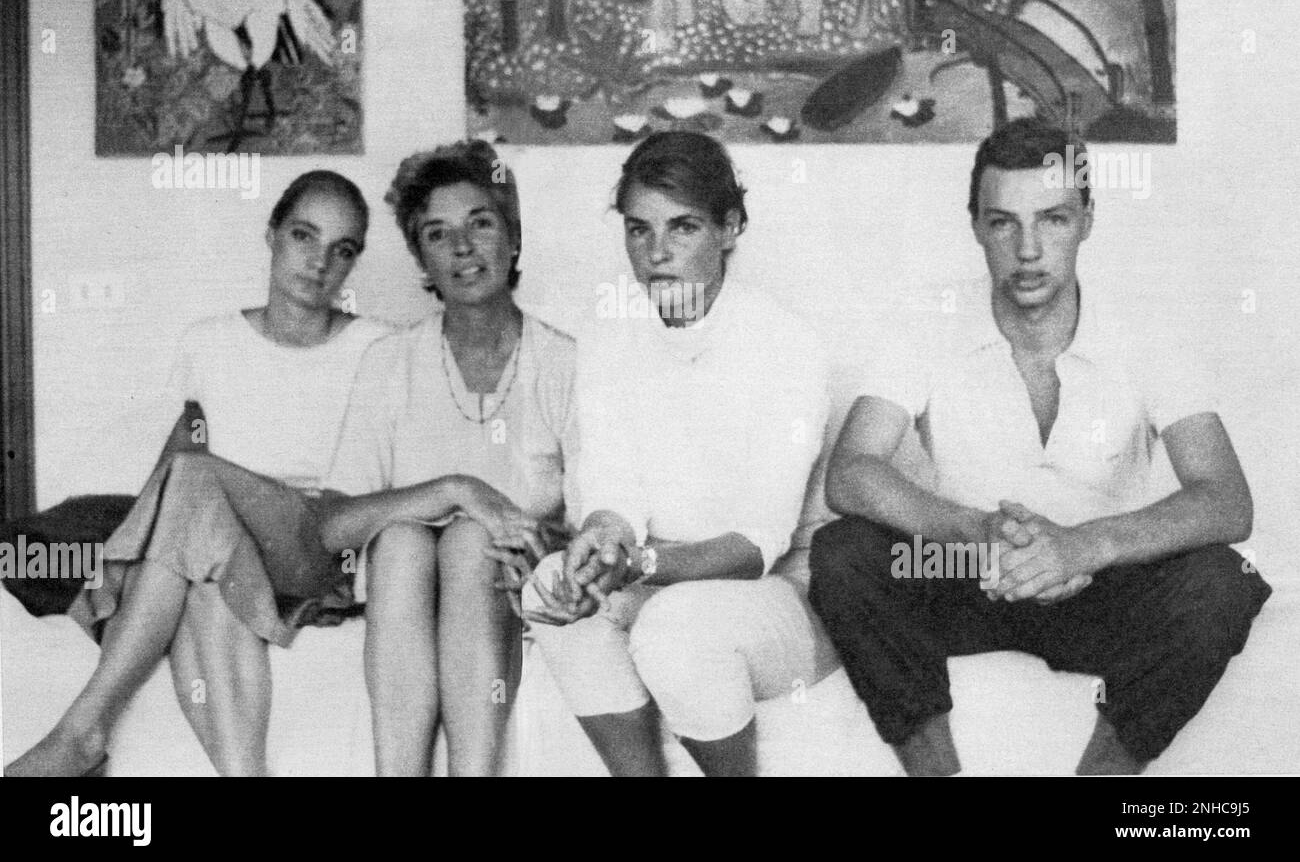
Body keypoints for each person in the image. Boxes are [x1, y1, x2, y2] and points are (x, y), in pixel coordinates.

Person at [809, 117, 1272, 776]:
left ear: (1087, 218)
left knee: (1226, 580)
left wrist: (1084, 545)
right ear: (975, 225)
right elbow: (850, 472)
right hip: (965, 573)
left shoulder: (1148, 327)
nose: (1027, 248)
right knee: (844, 553)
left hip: (1103, 586)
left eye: (1052, 218)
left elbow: (1227, 498)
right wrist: (976, 530)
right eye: (1003, 222)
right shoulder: (927, 317)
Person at [6, 170, 392, 777]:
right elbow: (169, 479)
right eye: (303, 236)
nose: (319, 262)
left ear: (353, 264)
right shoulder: (207, 342)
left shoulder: (381, 346)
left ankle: (83, 730)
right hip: (227, 555)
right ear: (272, 235)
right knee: (202, 585)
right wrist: (117, 574)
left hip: (320, 551)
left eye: (341, 250)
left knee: (196, 485)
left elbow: (381, 484)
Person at [522, 131, 836, 777]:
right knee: (547, 587)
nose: (656, 253)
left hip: (776, 597)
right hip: (653, 577)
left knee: (673, 626)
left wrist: (635, 564)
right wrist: (601, 542)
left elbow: (757, 543)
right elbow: (611, 487)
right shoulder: (610, 339)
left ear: (730, 226)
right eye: (638, 230)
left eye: (682, 227)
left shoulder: (788, 343)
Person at [317, 141, 578, 777]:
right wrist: (457, 489)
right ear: (423, 262)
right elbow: (331, 527)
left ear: (512, 239)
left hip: (511, 586)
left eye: (479, 224)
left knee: (468, 543)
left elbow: (598, 515)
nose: (462, 248)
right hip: (403, 589)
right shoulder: (390, 362)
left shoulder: (565, 362)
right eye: (437, 234)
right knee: (404, 540)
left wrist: (518, 535)